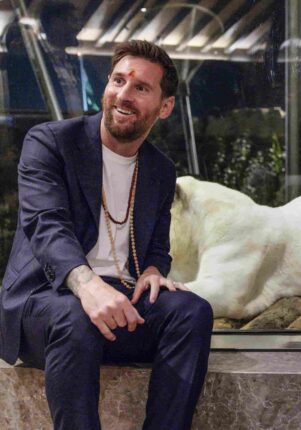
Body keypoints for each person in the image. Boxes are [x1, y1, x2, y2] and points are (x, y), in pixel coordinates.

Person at [0, 40, 213, 430]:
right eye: (118, 80)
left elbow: (158, 245)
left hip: (119, 301)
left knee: (192, 312)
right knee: (76, 317)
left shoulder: (159, 169)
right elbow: (46, 226)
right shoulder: (51, 142)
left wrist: (153, 271)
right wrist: (88, 286)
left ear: (165, 106)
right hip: (45, 301)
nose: (124, 94)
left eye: (141, 88)